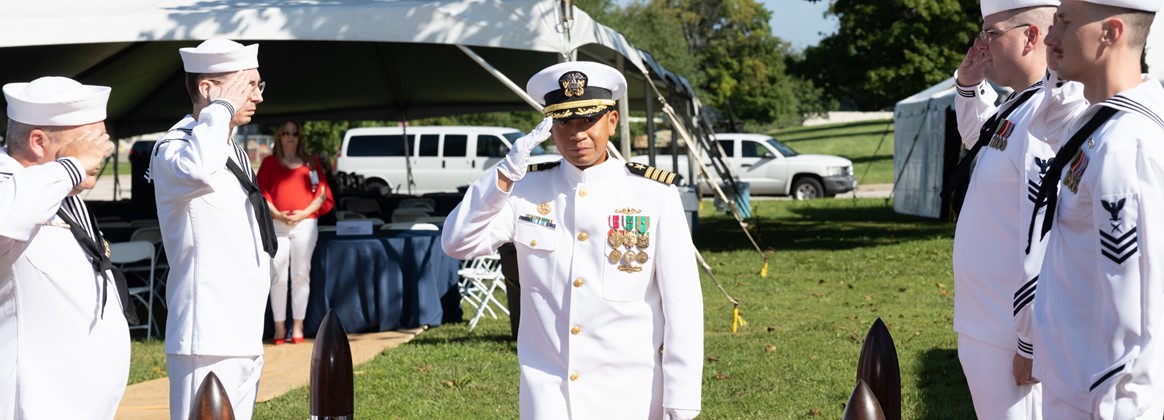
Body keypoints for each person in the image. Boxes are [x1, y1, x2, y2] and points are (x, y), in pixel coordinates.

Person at [441, 61, 704, 419]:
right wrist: (502, 177)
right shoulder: (525, 190)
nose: (576, 133)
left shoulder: (652, 194)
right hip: (548, 395)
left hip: (630, 396)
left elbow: (682, 305)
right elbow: (457, 243)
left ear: (611, 121)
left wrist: (681, 400)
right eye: (564, 122)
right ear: (549, 128)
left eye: (587, 120)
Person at [947, 1, 1089, 418]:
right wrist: (968, 86)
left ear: (1030, 36)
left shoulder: (1052, 114)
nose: (981, 45)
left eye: (992, 33)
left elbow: (1044, 232)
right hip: (985, 322)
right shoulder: (1020, 104)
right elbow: (982, 139)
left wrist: (1031, 342)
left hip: (1010, 334)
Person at [1027, 0, 1164, 417]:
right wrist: (1057, 65)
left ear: (1111, 33)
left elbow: (1141, 310)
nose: (1050, 37)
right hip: (1072, 378)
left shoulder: (1128, 144)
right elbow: (1047, 123)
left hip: (1102, 398)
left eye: (1064, 23)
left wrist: (1121, 406)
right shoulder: (1096, 123)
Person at [147, 38, 274, 420]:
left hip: (242, 324)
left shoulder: (227, 146)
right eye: (247, 85)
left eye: (258, 85)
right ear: (207, 88)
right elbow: (198, 170)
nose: (258, 97)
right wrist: (219, 109)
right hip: (207, 330)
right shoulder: (177, 147)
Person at [0, 77, 131, 418]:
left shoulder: (61, 190)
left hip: (79, 400)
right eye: (89, 143)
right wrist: (70, 167)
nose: (102, 152)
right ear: (38, 141)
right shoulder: (12, 187)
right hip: (34, 402)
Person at [257, 120, 333, 345]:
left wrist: (302, 214)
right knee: (278, 275)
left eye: (295, 133)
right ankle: (280, 326)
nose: (290, 136)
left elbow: (321, 194)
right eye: (286, 133)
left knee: (301, 275)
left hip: (305, 224)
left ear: (300, 137)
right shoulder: (269, 163)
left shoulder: (310, 164)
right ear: (279, 136)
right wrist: (278, 214)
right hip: (277, 225)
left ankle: (298, 326)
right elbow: (261, 193)